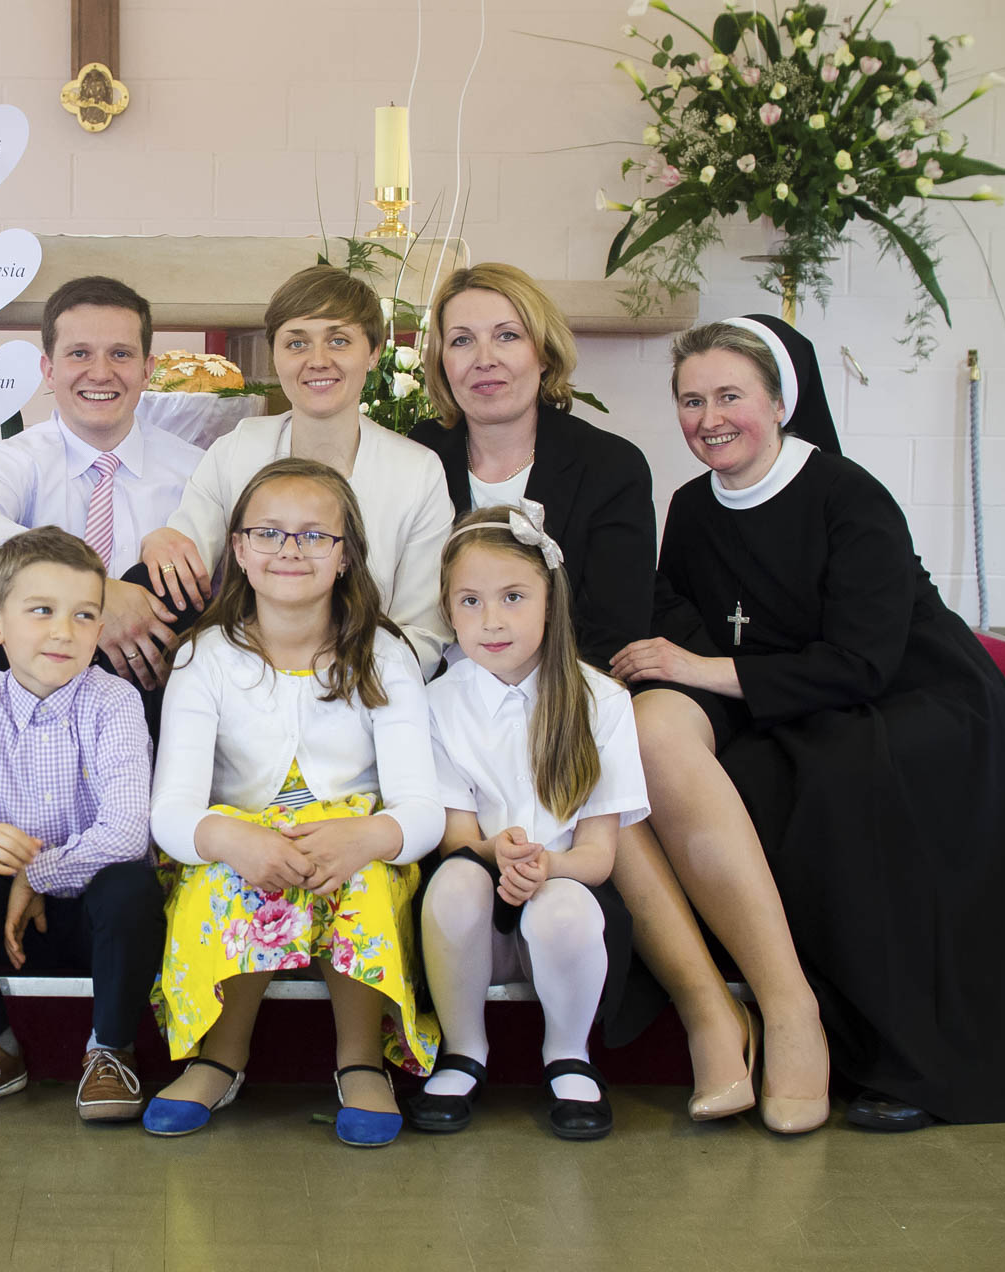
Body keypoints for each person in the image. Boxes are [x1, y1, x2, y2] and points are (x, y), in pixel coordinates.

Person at [610, 316, 1005, 1130]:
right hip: (790, 700)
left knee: (847, 783)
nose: (709, 419)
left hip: (914, 698)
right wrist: (691, 669)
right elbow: (684, 612)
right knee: (740, 776)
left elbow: (862, 661)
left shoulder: (848, 494)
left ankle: (903, 1056)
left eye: (730, 396)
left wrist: (700, 671)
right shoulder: (692, 507)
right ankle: (783, 1013)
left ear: (779, 401)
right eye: (692, 401)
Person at [144, 459, 442, 1148]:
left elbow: (422, 808)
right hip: (242, 842)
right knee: (228, 871)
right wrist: (232, 839)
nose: (290, 550)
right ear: (239, 549)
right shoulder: (204, 658)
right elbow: (172, 811)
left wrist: (368, 838)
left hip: (352, 844)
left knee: (365, 878)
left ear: (346, 556)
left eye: (315, 536)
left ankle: (360, 1059)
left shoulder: (385, 655)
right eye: (269, 533)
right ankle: (221, 1055)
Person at [0, 527, 162, 1121]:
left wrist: (37, 873)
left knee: (132, 887)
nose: (63, 631)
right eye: (41, 611)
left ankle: (110, 1051)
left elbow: (127, 831)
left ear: (100, 629)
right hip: (7, 919)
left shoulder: (115, 702)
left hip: (93, 914)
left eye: (83, 615)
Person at [409, 505, 649, 1141]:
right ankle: (464, 1050)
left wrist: (547, 865)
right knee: (454, 882)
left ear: (550, 600)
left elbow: (598, 854)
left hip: (566, 893)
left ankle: (568, 1054)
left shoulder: (602, 701)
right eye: (470, 601)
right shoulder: (435, 703)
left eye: (513, 597)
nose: (491, 620)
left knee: (561, 907)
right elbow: (457, 839)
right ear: (448, 609)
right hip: (479, 904)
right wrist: (497, 851)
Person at [138, 265, 454, 676]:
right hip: (242, 681)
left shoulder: (416, 471)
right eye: (297, 343)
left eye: (339, 340)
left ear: (374, 353)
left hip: (365, 688)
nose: (317, 361)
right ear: (275, 354)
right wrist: (162, 545)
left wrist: (327, 685)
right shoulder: (238, 449)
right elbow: (182, 566)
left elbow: (421, 633)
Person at [0, 276, 205, 702]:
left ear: (147, 370)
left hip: (146, 690)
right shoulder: (18, 458)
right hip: (27, 688)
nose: (101, 373)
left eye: (120, 354)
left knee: (171, 584)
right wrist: (89, 592)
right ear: (49, 370)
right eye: (79, 354)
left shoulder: (195, 470)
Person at [408, 263, 654, 671]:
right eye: (462, 340)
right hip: (434, 687)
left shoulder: (609, 466)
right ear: (442, 362)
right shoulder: (421, 453)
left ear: (542, 353)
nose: (484, 359)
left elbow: (613, 633)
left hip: (567, 688)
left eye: (507, 336)